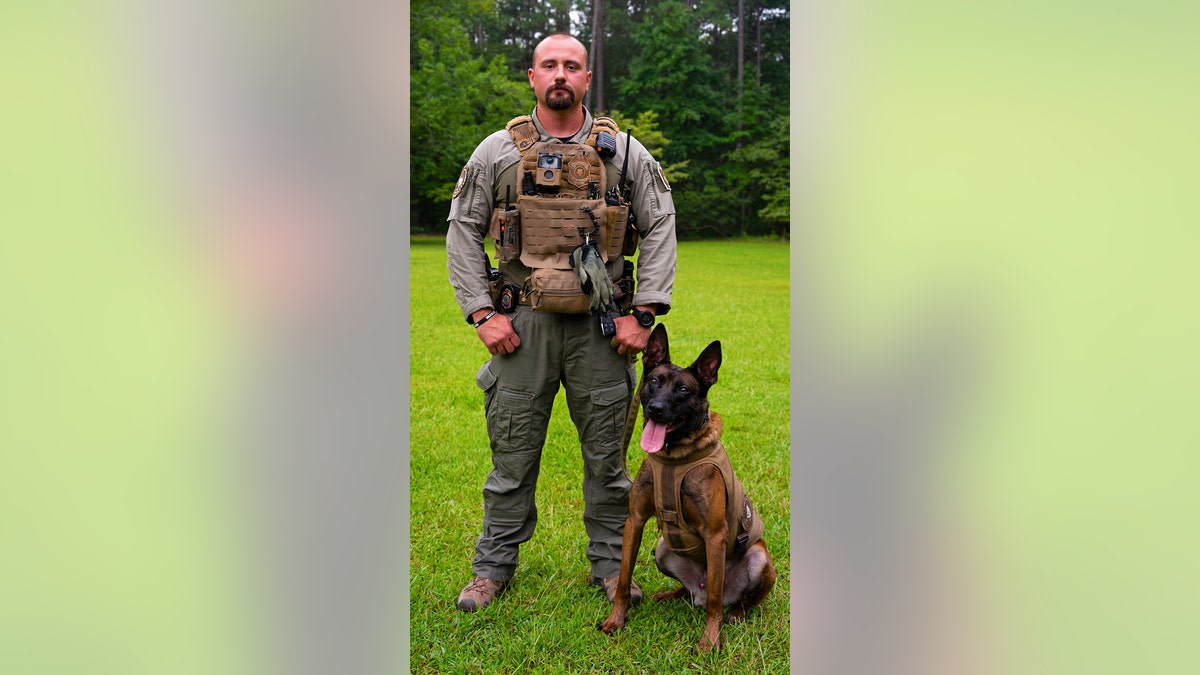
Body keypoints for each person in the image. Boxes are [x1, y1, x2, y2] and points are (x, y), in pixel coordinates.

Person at [445, 32, 677, 612]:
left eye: (571, 66)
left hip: (604, 329)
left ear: (587, 77)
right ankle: (493, 567)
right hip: (523, 326)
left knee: (608, 459)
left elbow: (661, 226)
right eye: (549, 64)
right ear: (532, 76)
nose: (560, 75)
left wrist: (642, 314)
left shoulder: (623, 153)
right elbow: (462, 231)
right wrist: (481, 313)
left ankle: (609, 566)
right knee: (513, 455)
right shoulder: (498, 151)